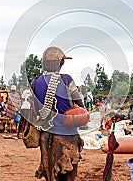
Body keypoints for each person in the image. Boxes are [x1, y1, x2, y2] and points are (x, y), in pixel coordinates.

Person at [31, 46, 84, 181]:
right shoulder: (66, 79)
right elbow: (79, 102)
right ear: (60, 63)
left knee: (50, 170)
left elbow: (35, 109)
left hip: (46, 134)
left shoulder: (35, 82)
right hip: (67, 133)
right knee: (68, 172)